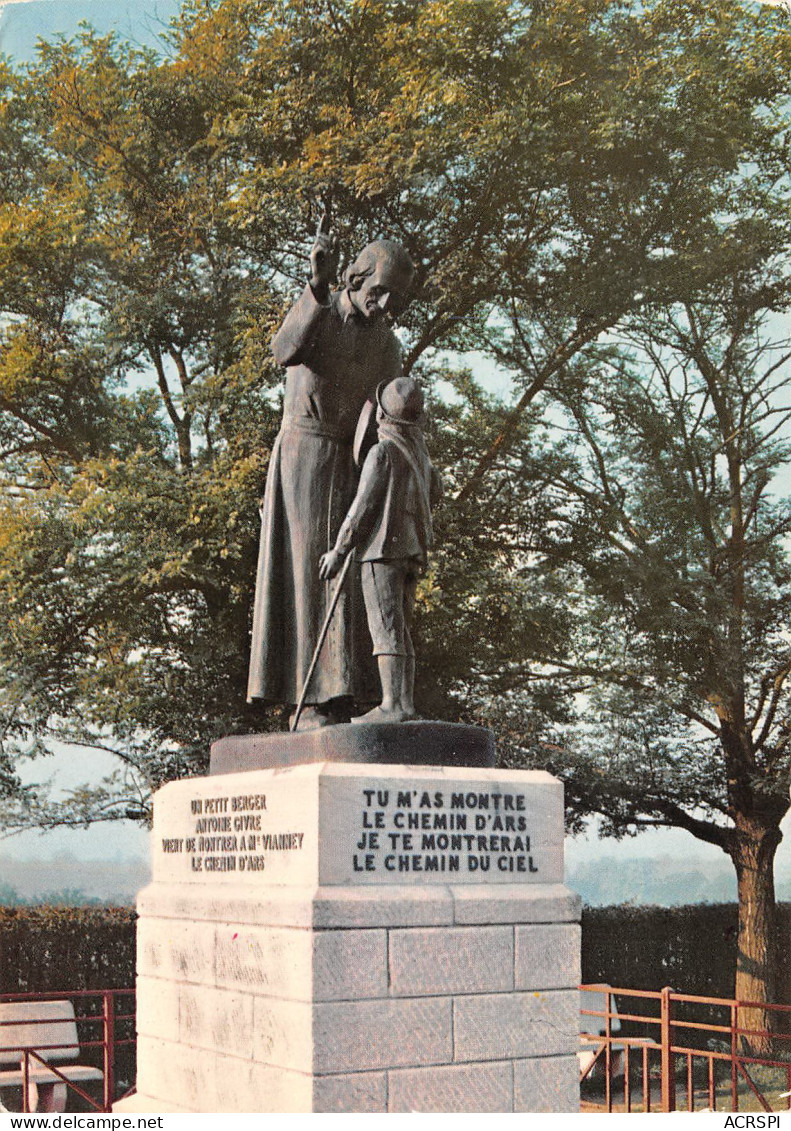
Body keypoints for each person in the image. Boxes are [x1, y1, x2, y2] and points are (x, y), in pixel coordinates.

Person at [246, 217, 415, 729]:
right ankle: (309, 701)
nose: (383, 306)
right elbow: (283, 351)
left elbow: (389, 412)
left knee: (353, 572)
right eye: (379, 292)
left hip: (356, 459)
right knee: (306, 573)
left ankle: (343, 694)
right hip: (303, 454)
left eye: (394, 300)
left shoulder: (386, 345)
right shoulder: (320, 310)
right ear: (357, 278)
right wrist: (315, 286)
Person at [318, 378, 441, 723]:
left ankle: (389, 706)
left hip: (381, 551)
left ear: (383, 415)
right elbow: (437, 494)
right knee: (402, 629)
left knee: (386, 628)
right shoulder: (421, 456)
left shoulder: (382, 452)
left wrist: (338, 552)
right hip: (413, 552)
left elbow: (361, 508)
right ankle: (406, 705)